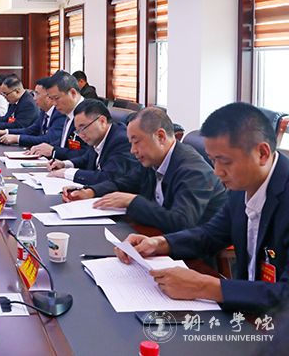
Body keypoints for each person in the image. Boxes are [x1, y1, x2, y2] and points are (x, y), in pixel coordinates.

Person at [115, 103, 289, 312]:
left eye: (225, 162)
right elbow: (210, 235)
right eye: (213, 160)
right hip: (249, 312)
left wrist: (203, 286)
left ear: (262, 153)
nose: (217, 172)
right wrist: (159, 243)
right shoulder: (241, 188)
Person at [65, 107, 226, 233]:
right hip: (157, 236)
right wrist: (91, 191)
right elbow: (125, 182)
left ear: (160, 137)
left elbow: (181, 222)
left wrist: (133, 201)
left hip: (193, 253)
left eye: (136, 142)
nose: (132, 150)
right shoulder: (153, 159)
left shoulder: (192, 170)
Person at [47, 99, 141, 186]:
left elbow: (109, 177)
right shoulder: (97, 137)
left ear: (102, 121)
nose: (80, 135)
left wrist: (66, 173)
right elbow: (86, 159)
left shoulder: (122, 140)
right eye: (77, 131)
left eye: (83, 128)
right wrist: (65, 164)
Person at [28, 71, 90, 160]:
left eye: (56, 98)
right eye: (51, 98)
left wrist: (54, 151)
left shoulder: (88, 114)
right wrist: (43, 148)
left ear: (73, 93)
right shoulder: (68, 112)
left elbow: (88, 155)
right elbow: (63, 144)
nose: (54, 103)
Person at [0, 77, 66, 147]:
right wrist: (5, 132)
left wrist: (17, 138)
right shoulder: (44, 111)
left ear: (49, 96)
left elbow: (48, 139)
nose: (34, 98)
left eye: (37, 94)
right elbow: (31, 130)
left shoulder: (59, 113)